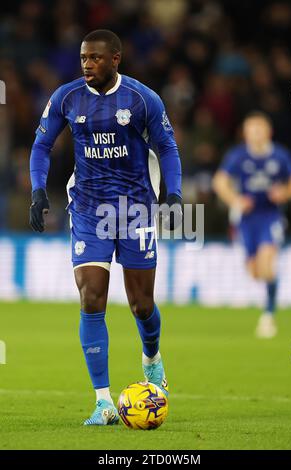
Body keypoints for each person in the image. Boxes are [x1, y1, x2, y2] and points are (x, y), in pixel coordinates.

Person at [29, 30, 182, 425]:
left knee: (141, 305)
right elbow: (42, 145)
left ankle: (152, 358)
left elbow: (167, 146)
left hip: (135, 212)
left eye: (95, 58)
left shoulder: (142, 99)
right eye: (83, 58)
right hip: (88, 210)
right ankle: (103, 402)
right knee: (92, 298)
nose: (86, 65)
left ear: (115, 59)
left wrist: (173, 193)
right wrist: (37, 191)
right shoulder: (66, 97)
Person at [213, 111, 291, 338]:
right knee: (255, 272)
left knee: (266, 261)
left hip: (270, 216)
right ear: (246, 133)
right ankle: (270, 289)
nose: (255, 134)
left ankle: (268, 315)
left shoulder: (280, 156)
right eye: (251, 130)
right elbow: (220, 181)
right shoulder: (238, 156)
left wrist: (285, 192)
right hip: (247, 219)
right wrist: (236, 200)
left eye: (259, 130)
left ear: (267, 132)